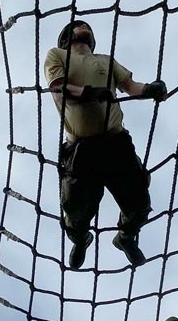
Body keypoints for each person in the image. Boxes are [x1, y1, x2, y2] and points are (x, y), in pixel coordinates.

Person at [44, 19, 167, 270]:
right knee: (75, 209)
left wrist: (152, 89)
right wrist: (88, 93)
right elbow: (58, 88)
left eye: (89, 25)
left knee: (139, 202)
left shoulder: (106, 60)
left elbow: (130, 87)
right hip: (81, 148)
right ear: (67, 36)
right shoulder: (57, 55)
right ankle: (81, 239)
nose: (85, 27)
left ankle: (125, 237)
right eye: (79, 25)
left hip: (115, 142)